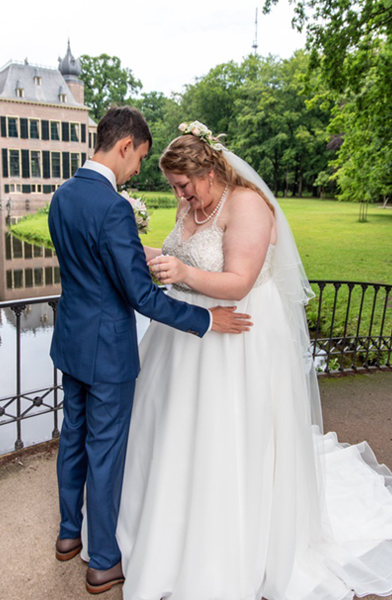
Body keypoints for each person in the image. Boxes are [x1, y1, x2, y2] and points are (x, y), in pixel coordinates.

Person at [108, 122, 392, 600]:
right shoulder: (191, 202)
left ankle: (225, 546)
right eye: (174, 188)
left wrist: (181, 271)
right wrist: (150, 254)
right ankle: (164, 527)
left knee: (227, 433)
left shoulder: (248, 205)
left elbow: (239, 281)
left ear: (205, 171)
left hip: (236, 333)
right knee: (173, 430)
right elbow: (183, 252)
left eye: (182, 185)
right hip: (186, 331)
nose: (179, 196)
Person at [48, 107, 252, 594]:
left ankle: (67, 535)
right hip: (107, 352)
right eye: (139, 157)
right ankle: (102, 562)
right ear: (124, 147)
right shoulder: (112, 206)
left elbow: (90, 269)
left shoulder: (63, 196)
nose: (138, 168)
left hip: (70, 342)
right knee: (105, 451)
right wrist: (206, 318)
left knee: (72, 437)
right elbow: (140, 297)